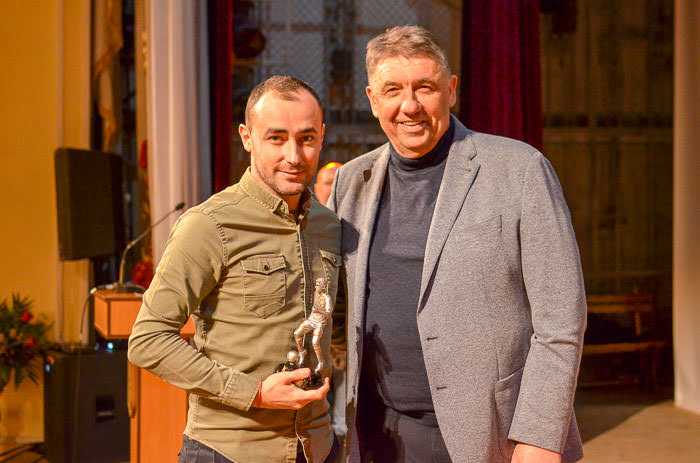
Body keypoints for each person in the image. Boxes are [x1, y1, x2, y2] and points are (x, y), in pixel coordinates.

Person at [327, 26, 587, 463]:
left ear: (450, 91)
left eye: (424, 87)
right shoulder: (351, 181)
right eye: (392, 90)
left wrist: (540, 434)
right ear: (373, 100)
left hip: (489, 436)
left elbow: (562, 318)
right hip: (374, 430)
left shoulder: (519, 169)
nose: (409, 106)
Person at [128, 76, 343, 463]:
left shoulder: (329, 227)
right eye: (276, 138)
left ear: (322, 137)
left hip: (316, 448)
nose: (293, 155)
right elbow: (147, 339)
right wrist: (255, 392)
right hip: (229, 451)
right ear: (247, 137)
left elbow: (335, 328)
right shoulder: (209, 225)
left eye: (306, 138)